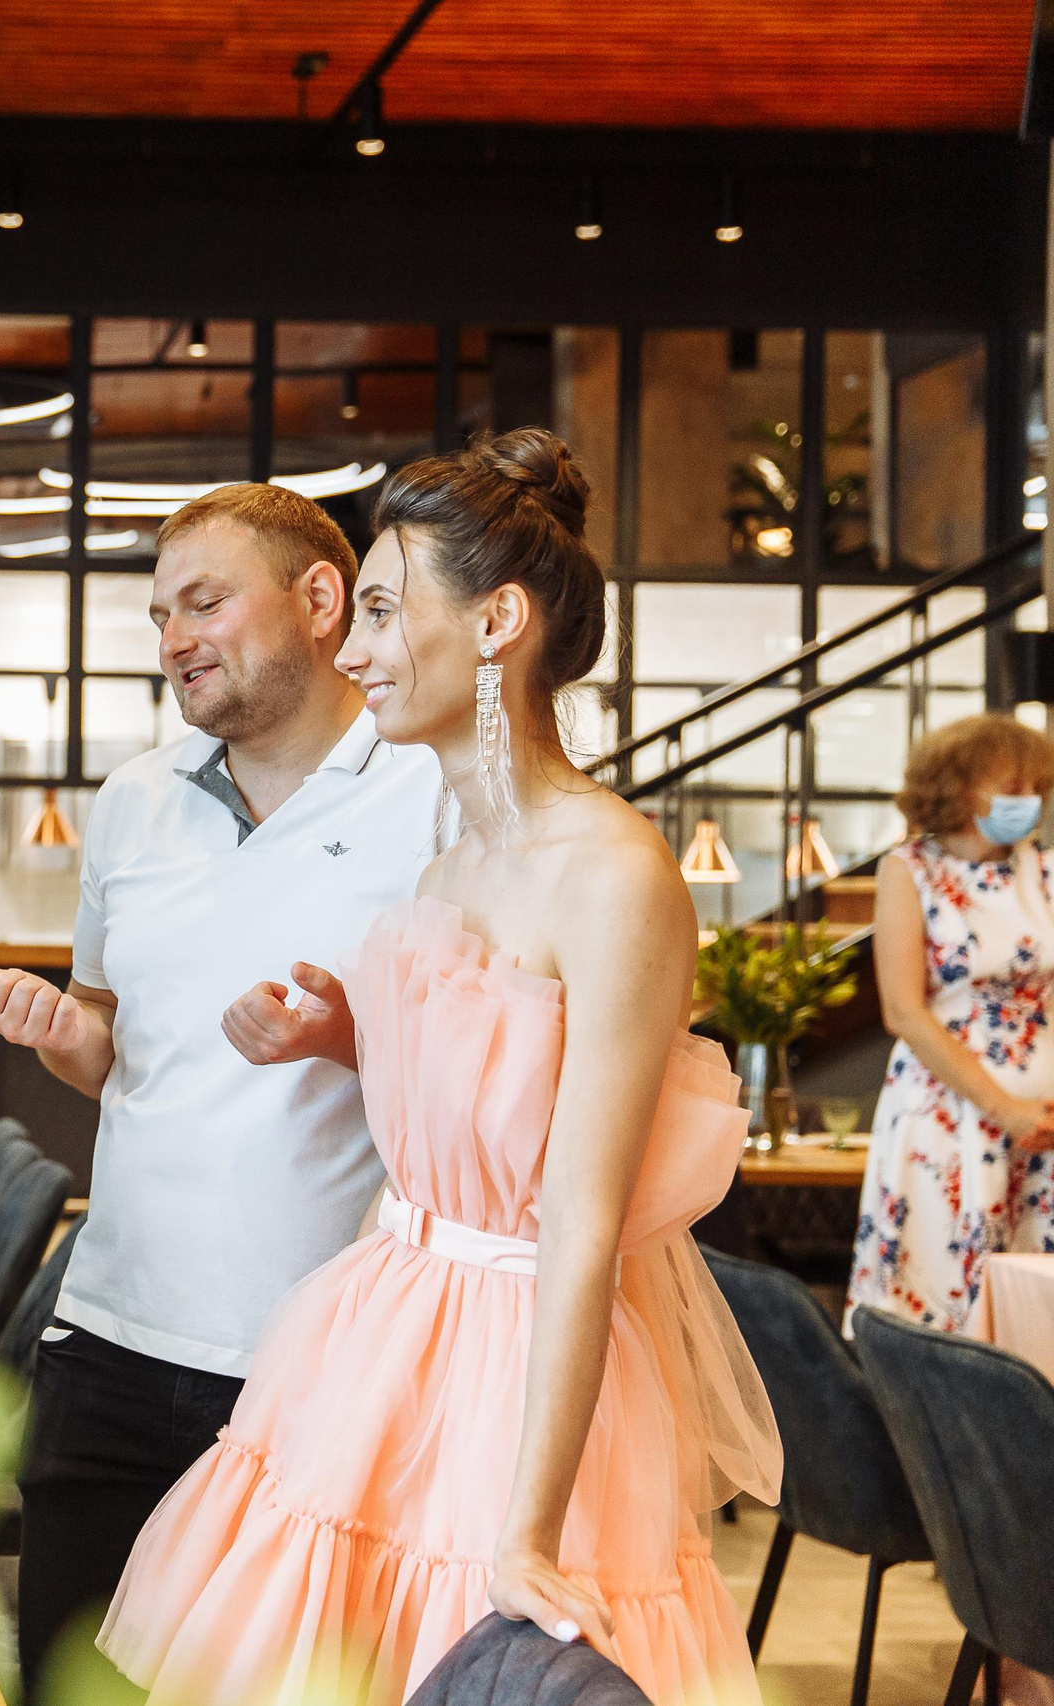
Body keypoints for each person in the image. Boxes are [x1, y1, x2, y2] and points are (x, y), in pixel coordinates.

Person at [100, 429, 781, 1705]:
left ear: (496, 622)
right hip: (374, 1340)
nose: (350, 651)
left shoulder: (616, 874)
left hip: (518, 1376)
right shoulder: (446, 863)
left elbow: (579, 1226)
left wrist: (523, 1528)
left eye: (375, 608)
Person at [0, 484, 445, 1693]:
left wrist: (352, 1038)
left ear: (322, 601)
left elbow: (502, 1081)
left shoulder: (435, 793)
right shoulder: (131, 800)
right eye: (159, 612)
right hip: (107, 1338)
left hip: (319, 1365)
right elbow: (111, 1038)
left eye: (205, 601)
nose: (174, 636)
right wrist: (61, 1030)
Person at [851, 713, 1054, 1332]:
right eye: (1009, 784)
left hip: (1043, 1120)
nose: (1027, 798)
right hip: (950, 1114)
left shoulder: (1044, 869)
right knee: (939, 1304)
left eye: (1036, 784)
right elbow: (904, 1012)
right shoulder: (907, 871)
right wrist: (1003, 1106)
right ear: (956, 788)